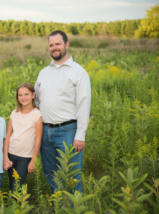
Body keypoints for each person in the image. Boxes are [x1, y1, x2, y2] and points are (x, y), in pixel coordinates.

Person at [34, 30, 91, 194]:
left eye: (57, 44)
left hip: (68, 132)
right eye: (51, 45)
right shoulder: (43, 73)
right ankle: (59, 208)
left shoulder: (79, 72)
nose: (54, 48)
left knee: (71, 177)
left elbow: (83, 104)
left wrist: (81, 134)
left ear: (66, 45)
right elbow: (36, 102)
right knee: (51, 175)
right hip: (45, 132)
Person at [3, 83, 43, 191]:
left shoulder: (37, 115)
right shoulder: (14, 113)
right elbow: (7, 135)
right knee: (12, 184)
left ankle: (18, 206)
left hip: (25, 157)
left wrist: (33, 161)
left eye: (26, 94)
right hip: (11, 153)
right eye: (20, 95)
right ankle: (13, 206)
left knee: (17, 186)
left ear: (33, 95)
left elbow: (38, 140)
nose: (23, 97)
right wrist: (5, 156)